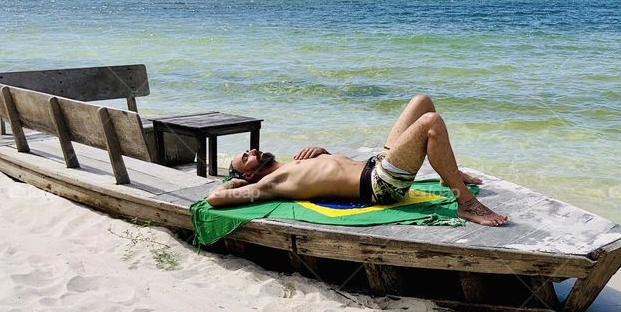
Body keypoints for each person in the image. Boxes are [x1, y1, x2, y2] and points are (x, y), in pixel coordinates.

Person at [207, 95, 508, 226]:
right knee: (430, 121)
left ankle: (448, 173)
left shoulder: (290, 164)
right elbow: (217, 199)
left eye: (248, 151)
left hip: (376, 163)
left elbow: (326, 172)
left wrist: (321, 150)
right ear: (248, 176)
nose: (252, 152)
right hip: (381, 185)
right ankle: (465, 202)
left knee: (421, 102)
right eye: (245, 158)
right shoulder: (270, 184)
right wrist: (233, 181)